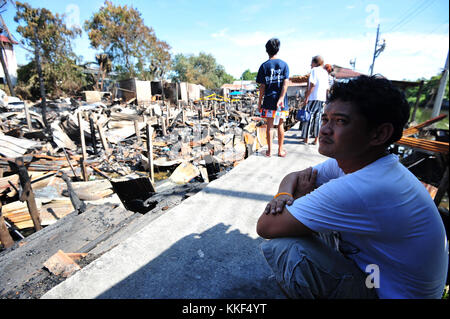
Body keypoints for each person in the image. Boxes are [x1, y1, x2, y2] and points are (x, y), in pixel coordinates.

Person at [256, 75, 448, 299]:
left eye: (340, 121)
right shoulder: (359, 162)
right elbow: (297, 176)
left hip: (387, 293)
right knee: (306, 224)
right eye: (326, 119)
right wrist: (284, 194)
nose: (325, 129)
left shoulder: (365, 187)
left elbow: (266, 226)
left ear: (378, 134)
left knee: (288, 248)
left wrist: (297, 197)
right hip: (376, 274)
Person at [256, 38, 290, 157]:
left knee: (269, 126)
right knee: (280, 125)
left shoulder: (264, 66)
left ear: (267, 51)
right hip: (281, 102)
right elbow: (286, 84)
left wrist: (259, 102)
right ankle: (280, 150)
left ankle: (270, 151)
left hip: (269, 100)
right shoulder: (284, 65)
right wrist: (281, 98)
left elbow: (262, 87)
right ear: (278, 49)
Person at [300, 55, 329, 145]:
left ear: (315, 62)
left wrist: (307, 97)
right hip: (322, 98)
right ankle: (316, 139)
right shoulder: (325, 72)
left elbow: (313, 85)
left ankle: (306, 138)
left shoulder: (314, 71)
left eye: (312, 62)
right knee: (318, 119)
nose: (310, 64)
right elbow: (327, 88)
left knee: (309, 118)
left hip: (313, 97)